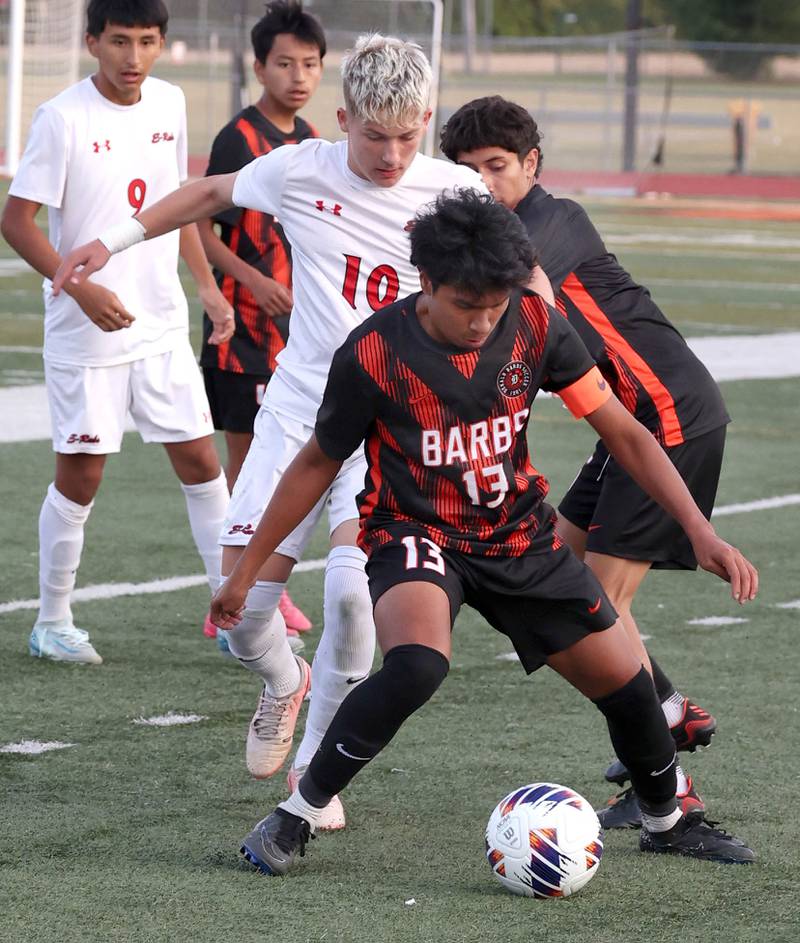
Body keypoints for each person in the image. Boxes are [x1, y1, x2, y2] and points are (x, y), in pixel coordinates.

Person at [208, 189, 757, 875]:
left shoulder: (535, 323)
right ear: (427, 284)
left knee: (628, 683)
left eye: (494, 305)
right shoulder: (374, 352)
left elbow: (623, 430)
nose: (482, 321)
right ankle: (296, 814)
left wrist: (699, 530)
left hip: (516, 533)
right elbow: (315, 464)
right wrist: (248, 571)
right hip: (415, 529)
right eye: (467, 306)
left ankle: (665, 820)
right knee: (418, 662)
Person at [53, 35, 486, 828]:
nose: (391, 156)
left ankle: (314, 780)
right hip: (300, 413)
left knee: (355, 599)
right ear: (342, 118)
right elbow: (207, 195)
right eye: (373, 136)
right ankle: (282, 685)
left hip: (392, 430)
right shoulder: (300, 168)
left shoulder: (458, 192)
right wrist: (109, 241)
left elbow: (519, 277)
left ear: (428, 119)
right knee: (246, 612)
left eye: (407, 136)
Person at [439, 95, 734, 827]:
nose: (482, 184)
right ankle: (668, 709)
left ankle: (663, 781)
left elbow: (521, 296)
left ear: (531, 165)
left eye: (496, 167)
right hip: (629, 425)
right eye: (466, 172)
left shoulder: (551, 219)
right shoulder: (497, 231)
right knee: (553, 575)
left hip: (666, 417)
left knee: (599, 609)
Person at [0, 0, 234, 666]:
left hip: (159, 323)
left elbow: (178, 206)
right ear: (92, 42)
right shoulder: (62, 117)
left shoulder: (168, 102)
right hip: (86, 329)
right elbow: (16, 222)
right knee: (82, 475)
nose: (134, 58)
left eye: (149, 42)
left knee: (200, 462)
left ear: (163, 44)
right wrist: (80, 287)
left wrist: (208, 289)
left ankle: (230, 614)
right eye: (121, 42)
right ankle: (52, 621)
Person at [197, 0, 326, 644]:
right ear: (258, 67)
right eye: (283, 63)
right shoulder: (238, 138)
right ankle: (237, 589)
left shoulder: (313, 145)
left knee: (292, 463)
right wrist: (248, 280)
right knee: (250, 466)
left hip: (296, 339)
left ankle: (264, 586)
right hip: (241, 329)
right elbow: (199, 226)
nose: (297, 76)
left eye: (309, 64)